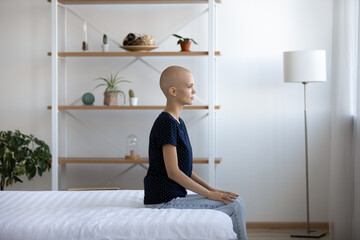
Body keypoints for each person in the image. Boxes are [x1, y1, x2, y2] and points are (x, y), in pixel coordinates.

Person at [143, 65, 247, 240]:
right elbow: (173, 172)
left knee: (236, 201)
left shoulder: (178, 122)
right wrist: (209, 195)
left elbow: (184, 169)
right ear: (173, 91)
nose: (194, 91)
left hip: (172, 196)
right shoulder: (166, 123)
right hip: (163, 201)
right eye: (190, 86)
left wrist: (212, 189)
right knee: (234, 206)